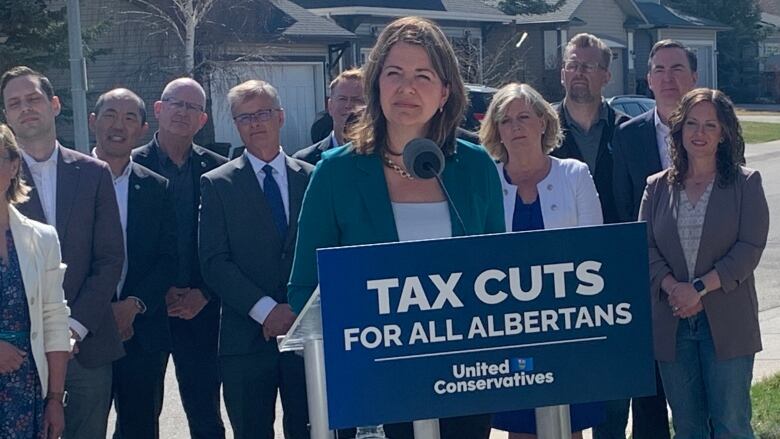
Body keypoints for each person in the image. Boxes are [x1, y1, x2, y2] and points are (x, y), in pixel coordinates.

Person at [288, 16, 504, 439]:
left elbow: (499, 272)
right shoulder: (335, 173)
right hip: (375, 387)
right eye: (394, 74)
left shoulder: (476, 167)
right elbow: (303, 290)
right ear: (376, 87)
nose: (406, 88)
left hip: (463, 382)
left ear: (444, 93)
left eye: (422, 76)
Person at [1, 66, 125, 439]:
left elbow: (109, 259)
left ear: (54, 104)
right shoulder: (4, 173)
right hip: (18, 357)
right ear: (6, 115)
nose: (26, 108)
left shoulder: (94, 173)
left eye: (34, 98)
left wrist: (73, 328)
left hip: (87, 347)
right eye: (15, 103)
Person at [640, 88, 768, 438]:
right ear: (678, 130)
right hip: (674, 323)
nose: (699, 133)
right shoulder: (657, 188)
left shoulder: (745, 184)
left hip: (727, 324)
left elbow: (749, 249)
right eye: (692, 124)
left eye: (710, 125)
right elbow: (646, 248)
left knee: (731, 424)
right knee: (687, 426)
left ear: (724, 132)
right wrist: (674, 289)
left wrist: (698, 288)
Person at [480, 82, 604, 438]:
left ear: (543, 123)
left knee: (569, 426)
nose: (516, 127)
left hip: (567, 325)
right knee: (519, 428)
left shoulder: (574, 175)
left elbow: (594, 252)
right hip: (507, 329)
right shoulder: (486, 180)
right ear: (497, 130)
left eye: (524, 117)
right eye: (506, 120)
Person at [199, 79, 313, 439]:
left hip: (307, 334)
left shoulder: (313, 179)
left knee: (313, 430)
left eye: (263, 113)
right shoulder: (217, 184)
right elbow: (214, 261)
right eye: (244, 117)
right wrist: (266, 310)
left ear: (280, 117)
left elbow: (325, 250)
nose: (255, 123)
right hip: (245, 340)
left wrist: (295, 310)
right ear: (236, 124)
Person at [602, 40, 700, 439]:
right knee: (651, 397)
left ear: (694, 76)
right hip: (653, 284)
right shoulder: (628, 136)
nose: (668, 78)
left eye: (677, 68)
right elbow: (627, 210)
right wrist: (658, 273)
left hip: (705, 283)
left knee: (706, 398)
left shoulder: (717, 129)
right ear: (648, 80)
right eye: (659, 70)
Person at [132, 78, 227, 439]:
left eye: (193, 107)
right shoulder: (131, 166)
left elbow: (224, 242)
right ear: (159, 109)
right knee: (139, 415)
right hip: (146, 312)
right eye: (176, 104)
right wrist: (153, 294)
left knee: (205, 413)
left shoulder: (219, 170)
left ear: (202, 120)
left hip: (201, 309)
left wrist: (204, 293)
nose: (183, 112)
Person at [90, 88, 177, 439]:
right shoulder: (71, 180)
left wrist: (133, 305)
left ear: (142, 128)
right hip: (83, 332)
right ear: (93, 121)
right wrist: (99, 310)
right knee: (83, 426)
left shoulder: (157, 188)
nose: (118, 125)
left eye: (129, 118)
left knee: (140, 429)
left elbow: (169, 257)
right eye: (110, 114)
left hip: (142, 334)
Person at [0, 124, 69, 439]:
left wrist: (55, 399)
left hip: (27, 391)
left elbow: (54, 319)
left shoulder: (42, 238)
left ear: (13, 165)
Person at [552, 33, 628, 224]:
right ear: (563, 75)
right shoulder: (542, 130)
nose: (579, 72)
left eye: (589, 67)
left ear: (607, 76)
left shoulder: (627, 131)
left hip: (618, 243)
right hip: (561, 245)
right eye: (572, 66)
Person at [294, 68, 365, 165]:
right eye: (342, 99)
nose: (348, 105)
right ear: (330, 106)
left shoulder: (381, 157)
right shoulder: (304, 160)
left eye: (356, 100)